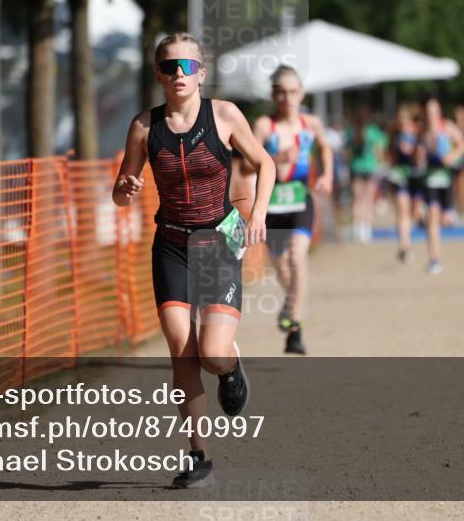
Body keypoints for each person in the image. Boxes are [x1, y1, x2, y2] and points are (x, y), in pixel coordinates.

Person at [112, 33, 274, 488]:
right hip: (171, 245)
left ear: (202, 73)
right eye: (170, 66)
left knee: (212, 353)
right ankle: (199, 455)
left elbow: (266, 164)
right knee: (181, 350)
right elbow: (120, 193)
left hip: (218, 241)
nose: (179, 74)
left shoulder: (224, 115)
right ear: (158, 75)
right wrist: (124, 189)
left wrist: (258, 213)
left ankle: (230, 367)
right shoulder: (143, 126)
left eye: (188, 66)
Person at [251, 65, 333, 355]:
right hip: (272, 204)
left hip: (300, 200)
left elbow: (325, 148)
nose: (287, 98)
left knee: (297, 257)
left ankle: (294, 327)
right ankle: (292, 307)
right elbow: (248, 161)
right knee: (283, 267)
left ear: (302, 94)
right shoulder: (264, 126)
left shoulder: (311, 124)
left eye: (293, 91)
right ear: (274, 95)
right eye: (281, 92)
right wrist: (276, 158)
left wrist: (326, 176)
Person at [420, 96, 464, 274]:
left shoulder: (447, 127)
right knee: (432, 217)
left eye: (433, 112)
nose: (430, 115)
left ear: (439, 112)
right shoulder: (424, 132)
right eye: (428, 112)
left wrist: (453, 156)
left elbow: (463, 145)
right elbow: (419, 155)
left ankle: (450, 214)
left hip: (446, 178)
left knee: (445, 219)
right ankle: (434, 259)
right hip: (430, 178)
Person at [345, 105, 387, 243]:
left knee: (357, 200)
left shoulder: (351, 131)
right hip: (370, 168)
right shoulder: (374, 132)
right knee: (368, 200)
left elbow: (347, 152)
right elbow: (380, 150)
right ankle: (367, 229)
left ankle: (357, 228)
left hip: (356, 167)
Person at [386, 105, 419, 263]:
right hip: (399, 174)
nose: (401, 120)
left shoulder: (417, 132)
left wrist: (414, 152)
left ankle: (408, 237)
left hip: (415, 174)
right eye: (399, 117)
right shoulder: (393, 132)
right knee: (401, 209)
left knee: (413, 212)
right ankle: (404, 246)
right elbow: (389, 153)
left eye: (404, 117)